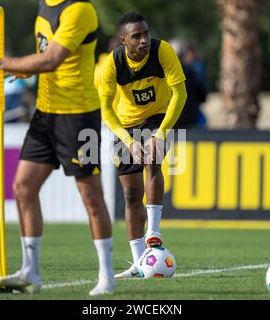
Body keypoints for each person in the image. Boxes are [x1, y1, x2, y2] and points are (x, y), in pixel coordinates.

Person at [0, 0, 114, 296]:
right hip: (45, 114)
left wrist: (2, 63)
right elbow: (43, 53)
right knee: (23, 188)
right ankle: (31, 271)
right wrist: (26, 70)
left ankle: (106, 276)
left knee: (91, 196)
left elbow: (52, 59)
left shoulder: (79, 9)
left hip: (78, 117)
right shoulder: (44, 6)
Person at [97, 12, 187, 278]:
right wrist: (127, 140)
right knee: (131, 195)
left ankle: (153, 232)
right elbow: (105, 109)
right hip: (124, 125)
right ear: (123, 40)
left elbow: (180, 93)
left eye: (146, 33)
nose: (144, 40)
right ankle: (139, 264)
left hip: (159, 118)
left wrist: (160, 134)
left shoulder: (163, 51)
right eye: (137, 36)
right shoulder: (112, 64)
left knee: (152, 159)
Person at [169, 38, 207, 129]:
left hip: (170, 125)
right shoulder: (191, 72)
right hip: (191, 123)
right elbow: (202, 97)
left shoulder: (161, 75)